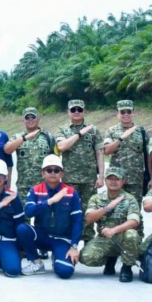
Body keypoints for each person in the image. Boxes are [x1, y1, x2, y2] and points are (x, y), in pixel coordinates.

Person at [16, 155, 82, 279]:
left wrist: (74, 246)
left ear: (61, 173)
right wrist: (50, 201)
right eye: (49, 170)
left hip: (62, 239)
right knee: (22, 229)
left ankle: (57, 256)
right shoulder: (35, 190)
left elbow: (77, 221)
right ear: (43, 173)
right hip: (42, 236)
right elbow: (29, 212)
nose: (53, 173)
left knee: (65, 272)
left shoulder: (71, 192)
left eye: (56, 170)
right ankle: (36, 262)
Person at [79, 167, 141, 283]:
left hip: (123, 237)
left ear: (123, 181)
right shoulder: (97, 198)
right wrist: (108, 207)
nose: (113, 181)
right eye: (110, 178)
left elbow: (134, 221)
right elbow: (89, 218)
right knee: (86, 257)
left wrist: (114, 230)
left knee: (131, 234)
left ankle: (126, 268)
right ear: (105, 181)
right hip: (105, 238)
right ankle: (110, 258)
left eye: (117, 179)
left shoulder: (129, 199)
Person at [55, 99, 103, 243]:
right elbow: (62, 147)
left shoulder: (93, 130)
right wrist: (80, 134)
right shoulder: (63, 129)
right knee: (68, 211)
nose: (76, 112)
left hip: (89, 179)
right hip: (69, 178)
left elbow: (100, 153)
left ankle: (88, 240)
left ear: (84, 111)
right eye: (73, 109)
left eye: (79, 109)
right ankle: (68, 241)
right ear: (68, 112)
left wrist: (101, 176)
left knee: (89, 210)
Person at [102, 100, 150, 199]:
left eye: (129, 111)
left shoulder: (142, 131)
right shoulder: (111, 131)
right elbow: (106, 151)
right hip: (115, 178)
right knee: (115, 209)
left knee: (135, 209)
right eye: (122, 112)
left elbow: (148, 156)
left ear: (133, 113)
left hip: (136, 178)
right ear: (118, 114)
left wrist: (151, 177)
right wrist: (121, 138)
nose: (126, 114)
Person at [4, 107, 55, 195]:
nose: (30, 120)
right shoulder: (18, 137)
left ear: (38, 119)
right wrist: (24, 138)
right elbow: (7, 150)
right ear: (23, 120)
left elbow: (55, 159)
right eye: (27, 118)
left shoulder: (48, 137)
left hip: (45, 185)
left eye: (33, 117)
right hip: (24, 186)